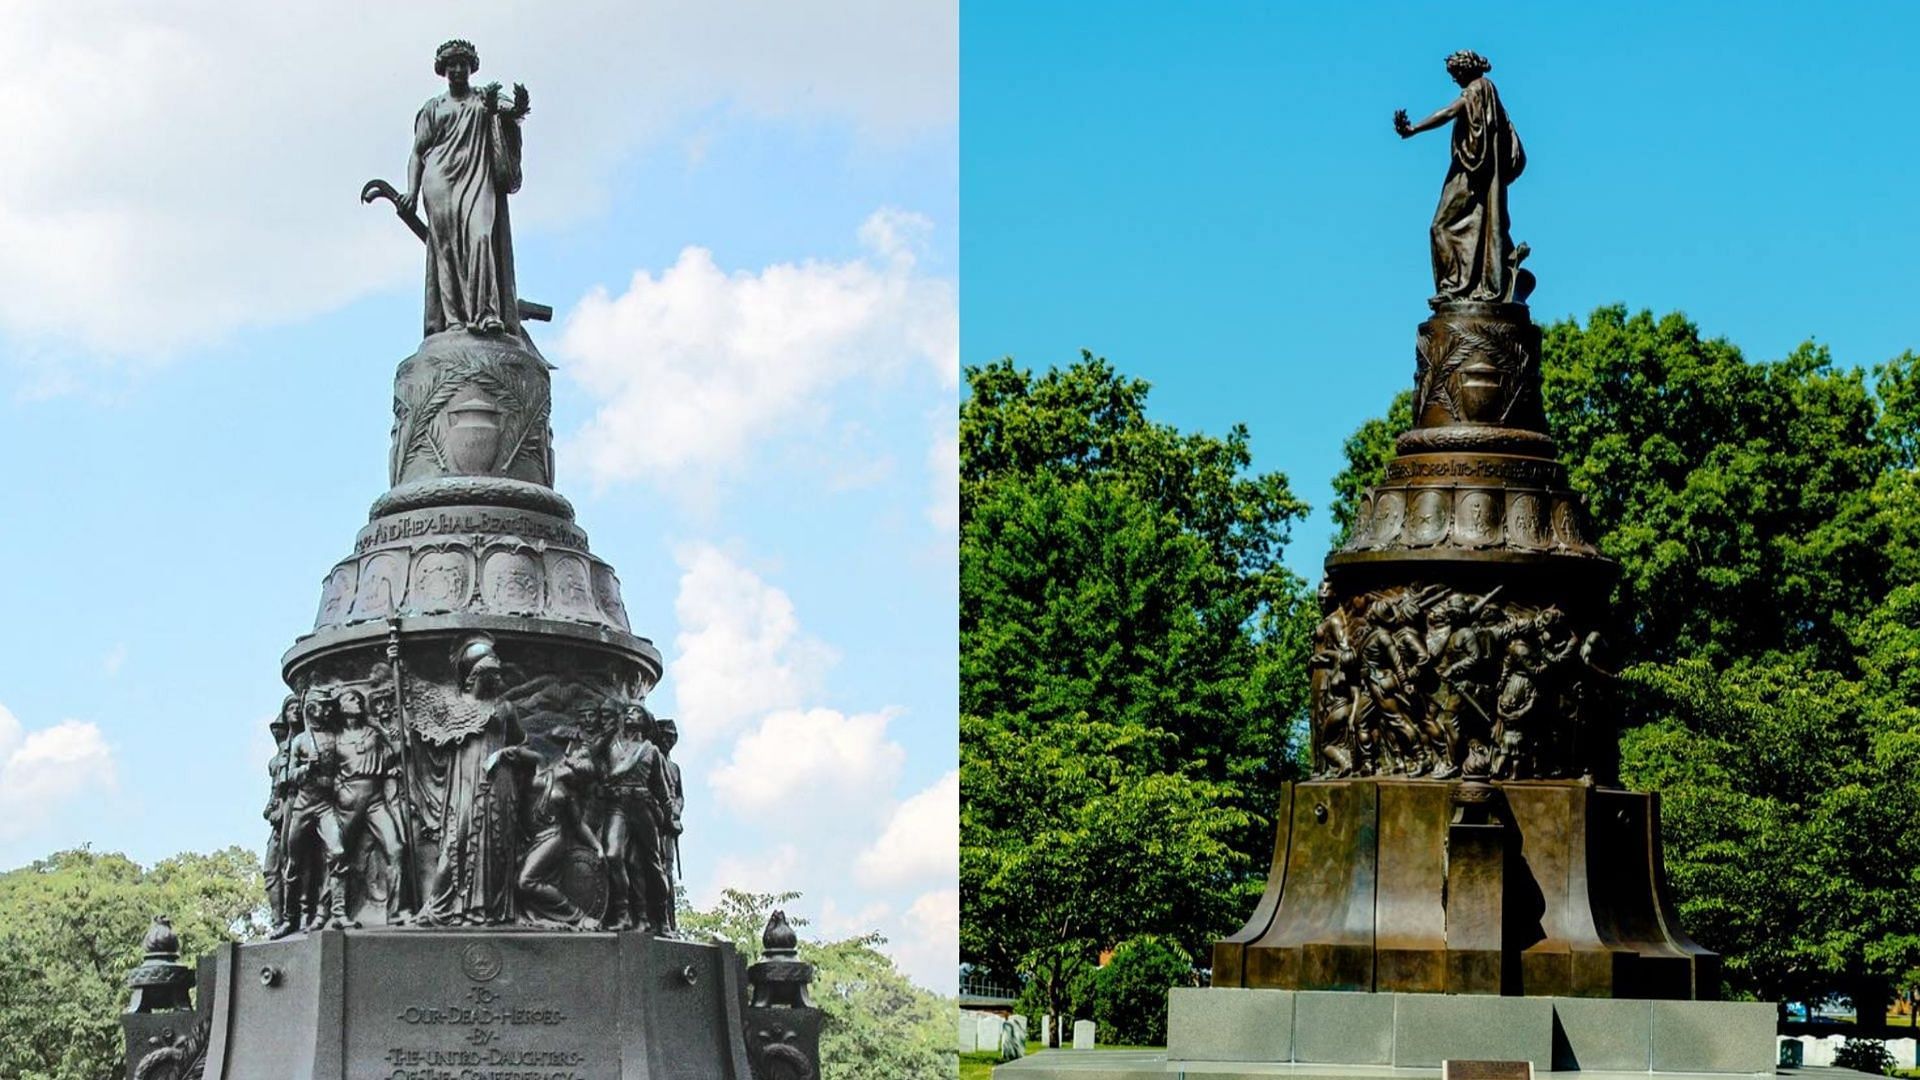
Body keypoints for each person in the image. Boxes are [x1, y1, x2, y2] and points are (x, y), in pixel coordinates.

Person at [399, 39, 530, 338]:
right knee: (445, 248)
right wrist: (411, 191)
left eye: (463, 64)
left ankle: (486, 314)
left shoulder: (485, 99)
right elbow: (418, 152)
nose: (458, 69)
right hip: (440, 181)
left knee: (480, 237)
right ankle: (454, 320)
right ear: (443, 69)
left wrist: (519, 107)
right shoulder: (433, 108)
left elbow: (512, 115)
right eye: (452, 65)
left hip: (477, 178)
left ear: (471, 67)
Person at [414, 635, 541, 925]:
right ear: (474, 676)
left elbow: (525, 747)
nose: (497, 680)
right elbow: (431, 735)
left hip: (500, 780)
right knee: (457, 837)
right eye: (491, 674)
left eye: (498, 674)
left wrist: (508, 753)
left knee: (496, 843)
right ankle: (444, 907)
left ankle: (488, 910)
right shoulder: (454, 705)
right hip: (464, 779)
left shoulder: (504, 708)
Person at [1393, 50, 1527, 304]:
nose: (1455, 80)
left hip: (1471, 170)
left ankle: (1454, 286)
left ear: (1465, 70)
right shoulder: (1488, 91)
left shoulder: (1477, 90)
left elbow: (1447, 113)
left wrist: (1413, 129)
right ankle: (1470, 281)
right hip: (1479, 171)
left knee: (1440, 226)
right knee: (1474, 226)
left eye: (1456, 74)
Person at [333, 687, 414, 924]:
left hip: (375, 797)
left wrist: (383, 725)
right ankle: (334, 912)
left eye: (359, 699)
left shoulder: (373, 733)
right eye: (351, 699)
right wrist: (340, 790)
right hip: (349, 797)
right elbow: (327, 772)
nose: (357, 701)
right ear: (340, 707)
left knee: (396, 848)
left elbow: (399, 750)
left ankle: (396, 911)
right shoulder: (335, 739)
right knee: (338, 853)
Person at [281, 690, 351, 933]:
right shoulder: (300, 741)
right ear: (311, 709)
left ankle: (339, 912)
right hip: (303, 805)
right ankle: (289, 918)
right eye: (323, 707)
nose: (329, 710)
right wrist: (305, 768)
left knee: (338, 852)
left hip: (325, 805)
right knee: (294, 863)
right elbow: (290, 775)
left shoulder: (334, 737)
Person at [263, 699, 298, 937]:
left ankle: (291, 918)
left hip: (297, 810)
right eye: (289, 709)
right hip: (279, 817)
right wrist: (271, 808)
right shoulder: (276, 759)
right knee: (271, 870)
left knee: (292, 866)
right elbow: (275, 789)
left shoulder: (307, 743)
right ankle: (277, 921)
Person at [654, 719, 684, 933]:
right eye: (665, 735)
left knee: (667, 871)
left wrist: (675, 811)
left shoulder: (674, 768)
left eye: (672, 736)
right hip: (653, 821)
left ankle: (668, 920)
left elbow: (680, 796)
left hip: (669, 827)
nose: (668, 740)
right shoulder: (652, 758)